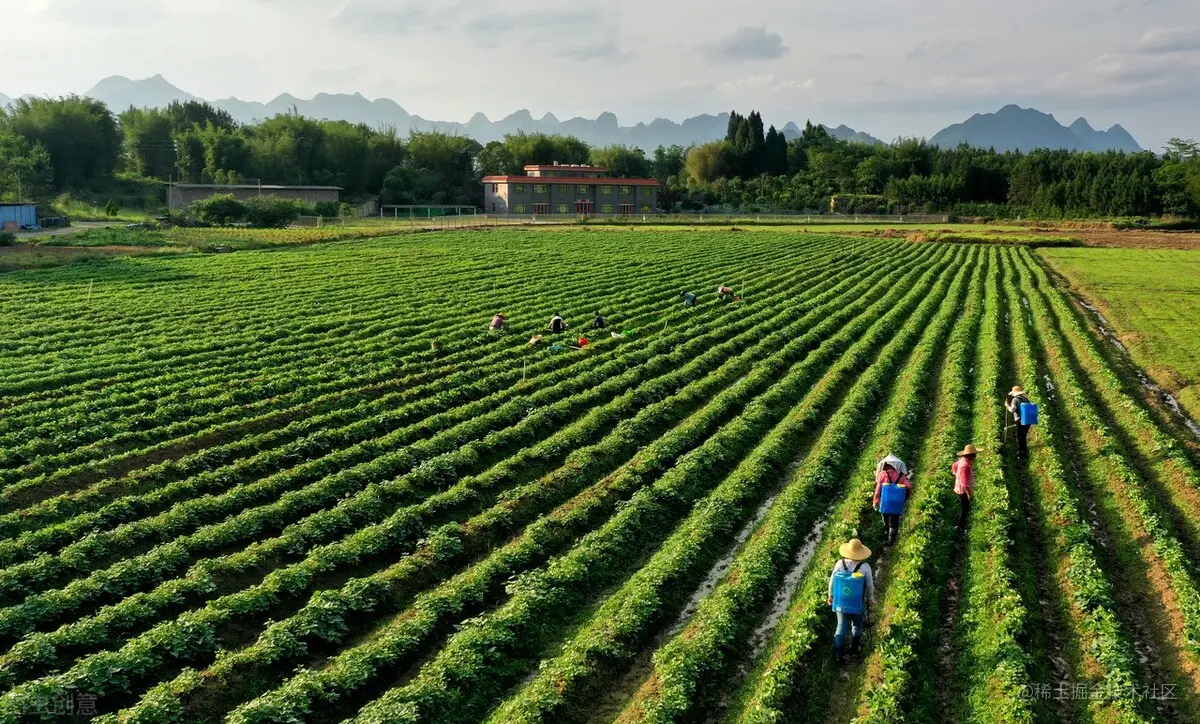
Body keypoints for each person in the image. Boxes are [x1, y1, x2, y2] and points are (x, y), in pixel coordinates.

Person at [827, 538, 875, 663]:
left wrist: (830, 596)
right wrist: (871, 598)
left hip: (841, 600)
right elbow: (870, 586)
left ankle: (839, 655)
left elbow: (832, 581)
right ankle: (854, 650)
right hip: (856, 601)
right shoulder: (865, 567)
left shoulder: (840, 563)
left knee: (841, 627)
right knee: (857, 626)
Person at [873, 454, 913, 546]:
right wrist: (906, 496)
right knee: (894, 520)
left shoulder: (882, 474)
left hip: (885, 501)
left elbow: (878, 489)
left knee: (886, 520)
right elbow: (908, 486)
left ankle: (887, 535)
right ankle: (891, 541)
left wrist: (875, 501)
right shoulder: (901, 475)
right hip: (897, 502)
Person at [952, 444, 978, 531]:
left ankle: (960, 521)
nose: (975, 456)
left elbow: (954, 466)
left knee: (963, 505)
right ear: (971, 456)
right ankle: (960, 525)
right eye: (974, 455)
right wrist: (969, 494)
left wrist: (956, 474)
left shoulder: (962, 460)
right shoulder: (965, 466)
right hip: (963, 491)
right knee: (965, 508)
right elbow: (964, 484)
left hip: (959, 487)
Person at [1005, 386, 1033, 459]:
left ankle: (1020, 454)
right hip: (1027, 420)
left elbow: (1013, 410)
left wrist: (1007, 406)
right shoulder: (1025, 399)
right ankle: (1025, 452)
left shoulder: (1015, 400)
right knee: (1023, 436)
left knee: (1019, 437)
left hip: (1019, 420)